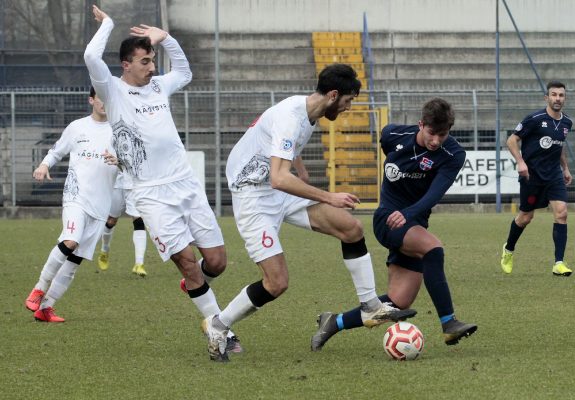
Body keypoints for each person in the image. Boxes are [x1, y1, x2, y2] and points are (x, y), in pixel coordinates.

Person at [200, 63, 416, 362]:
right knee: (276, 283)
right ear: (333, 95)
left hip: (277, 189)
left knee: (351, 229)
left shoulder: (307, 112)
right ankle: (218, 325)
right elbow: (278, 177)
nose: (348, 107)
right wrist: (329, 196)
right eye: (348, 101)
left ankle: (370, 305)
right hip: (253, 194)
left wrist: (300, 172)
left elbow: (283, 153)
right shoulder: (291, 117)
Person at [84, 5, 241, 354]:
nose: (152, 67)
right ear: (126, 64)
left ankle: (196, 284)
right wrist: (108, 24)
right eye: (145, 61)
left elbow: (183, 72)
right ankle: (220, 331)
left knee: (216, 262)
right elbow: (90, 54)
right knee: (188, 262)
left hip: (185, 184)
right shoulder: (111, 90)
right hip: (151, 194)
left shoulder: (158, 86)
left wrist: (167, 38)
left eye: (153, 60)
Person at [311, 98, 477, 351]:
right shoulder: (393, 135)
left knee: (397, 303)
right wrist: (399, 204)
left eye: (442, 135)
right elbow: (390, 147)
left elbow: (435, 194)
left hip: (414, 222)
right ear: (421, 125)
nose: (436, 141)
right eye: (432, 133)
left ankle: (334, 322)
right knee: (433, 249)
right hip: (387, 219)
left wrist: (409, 212)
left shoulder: (453, 154)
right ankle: (448, 323)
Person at [24, 87, 118, 322]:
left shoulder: (119, 131)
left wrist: (120, 161)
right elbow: (56, 151)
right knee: (70, 241)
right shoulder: (77, 127)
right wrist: (44, 165)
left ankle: (46, 308)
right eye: (100, 98)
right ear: (91, 100)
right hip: (76, 197)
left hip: (101, 205)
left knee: (75, 260)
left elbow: (132, 163)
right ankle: (39, 288)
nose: (104, 103)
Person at [500, 81, 573, 276]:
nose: (558, 98)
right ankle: (508, 249)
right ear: (547, 97)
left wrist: (565, 168)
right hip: (532, 176)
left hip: (554, 176)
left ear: (565, 98)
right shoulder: (534, 119)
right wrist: (520, 162)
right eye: (554, 94)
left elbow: (559, 147)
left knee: (562, 213)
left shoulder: (567, 123)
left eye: (561, 95)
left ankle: (558, 263)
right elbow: (511, 140)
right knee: (526, 217)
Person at [97, 171, 148, 277]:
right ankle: (104, 251)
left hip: (134, 184)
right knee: (111, 220)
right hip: (116, 183)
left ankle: (139, 263)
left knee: (139, 220)